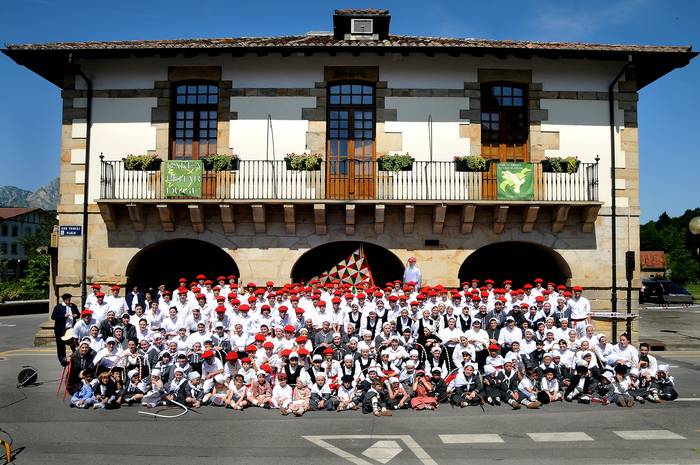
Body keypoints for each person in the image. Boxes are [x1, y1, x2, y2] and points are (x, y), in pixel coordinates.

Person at [52, 293, 80, 366]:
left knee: (74, 344)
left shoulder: (73, 306)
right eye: (67, 300)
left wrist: (76, 315)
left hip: (71, 328)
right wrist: (63, 316)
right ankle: (63, 360)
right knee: (61, 345)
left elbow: (78, 314)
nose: (68, 301)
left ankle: (76, 358)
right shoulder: (58, 307)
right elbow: (53, 317)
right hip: (61, 329)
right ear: (64, 300)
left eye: (69, 299)